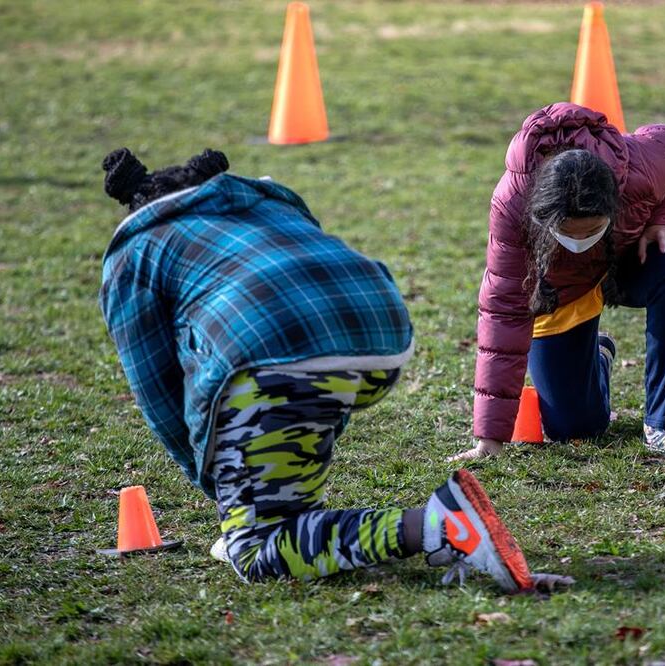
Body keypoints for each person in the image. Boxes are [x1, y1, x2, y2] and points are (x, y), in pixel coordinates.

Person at [98, 147, 546, 591]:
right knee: (288, 445)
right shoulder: (265, 201)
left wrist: (219, 480)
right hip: (380, 330)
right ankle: (304, 511)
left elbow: (156, 389)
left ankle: (440, 526)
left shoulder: (137, 250)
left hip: (276, 352)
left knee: (255, 550)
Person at [455, 103, 665, 461]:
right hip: (561, 289)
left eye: (592, 230)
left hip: (624, 259)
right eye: (568, 233)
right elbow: (503, 314)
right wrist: (490, 437)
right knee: (574, 427)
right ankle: (597, 357)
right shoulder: (512, 206)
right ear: (543, 217)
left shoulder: (641, 168)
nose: (581, 241)